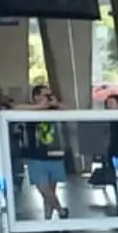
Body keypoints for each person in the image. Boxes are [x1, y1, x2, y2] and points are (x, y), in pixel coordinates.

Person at [24, 84, 69, 220]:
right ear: (36, 97)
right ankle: (61, 211)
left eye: (50, 95)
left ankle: (47, 219)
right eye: (45, 95)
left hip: (55, 154)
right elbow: (14, 108)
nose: (48, 99)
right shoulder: (29, 110)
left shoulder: (55, 109)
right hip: (36, 155)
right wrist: (39, 107)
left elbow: (70, 110)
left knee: (51, 190)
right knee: (44, 188)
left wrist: (56, 104)